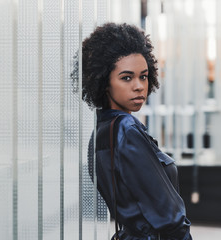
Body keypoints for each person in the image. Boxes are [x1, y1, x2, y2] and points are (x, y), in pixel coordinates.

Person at [76, 23, 192, 240]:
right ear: (104, 82)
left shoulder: (104, 129)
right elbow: (169, 218)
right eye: (126, 77)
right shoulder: (126, 131)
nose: (139, 86)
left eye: (144, 76)